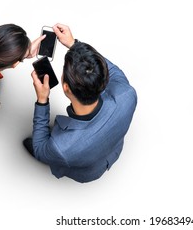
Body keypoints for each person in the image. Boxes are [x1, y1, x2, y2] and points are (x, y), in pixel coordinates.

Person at [23, 23, 137, 183]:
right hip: (112, 151)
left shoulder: (61, 148)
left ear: (66, 87)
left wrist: (42, 101)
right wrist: (74, 45)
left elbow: (40, 149)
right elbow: (112, 71)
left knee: (41, 147)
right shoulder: (128, 95)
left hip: (85, 169)